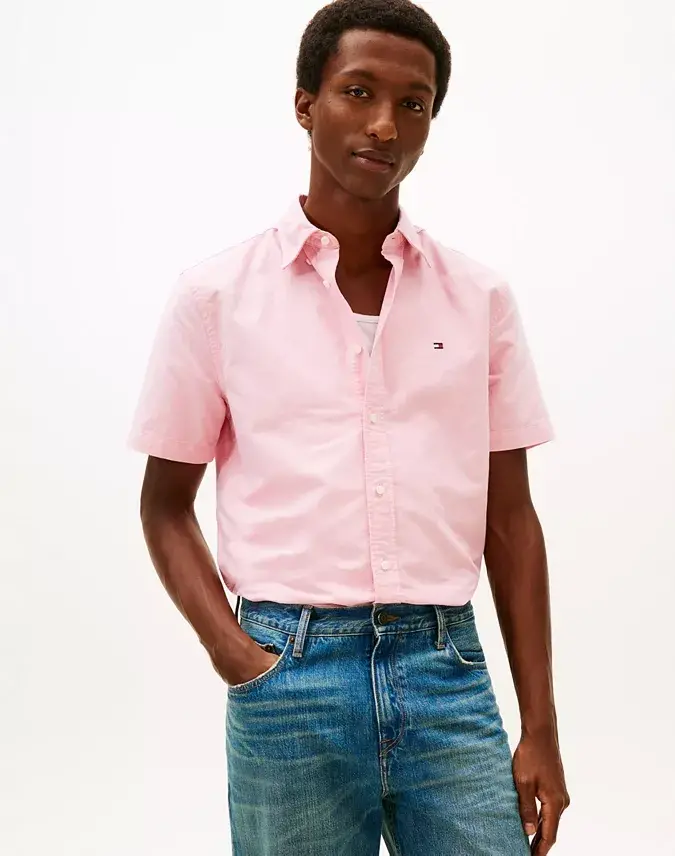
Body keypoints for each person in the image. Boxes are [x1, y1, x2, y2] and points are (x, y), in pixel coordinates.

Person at [128, 0, 570, 853]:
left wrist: (541, 727)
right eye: (358, 91)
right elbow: (164, 506)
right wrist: (238, 656)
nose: (385, 125)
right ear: (306, 104)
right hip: (288, 672)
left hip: (445, 667)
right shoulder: (216, 297)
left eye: (414, 103)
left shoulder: (478, 298)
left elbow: (511, 521)